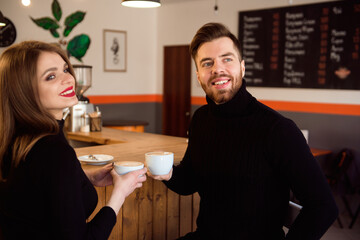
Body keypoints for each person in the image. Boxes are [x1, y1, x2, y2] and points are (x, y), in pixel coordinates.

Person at [148, 23, 338, 239]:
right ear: (199, 75)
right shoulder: (200, 120)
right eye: (207, 63)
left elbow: (323, 208)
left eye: (226, 59)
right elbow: (190, 181)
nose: (217, 69)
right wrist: (168, 173)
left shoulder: (278, 129)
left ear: (242, 67)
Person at [0, 41, 147, 239]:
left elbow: (35, 190)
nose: (68, 79)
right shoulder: (54, 152)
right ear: (24, 92)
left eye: (65, 69)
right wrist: (120, 193)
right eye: (51, 76)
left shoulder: (17, 139)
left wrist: (82, 177)